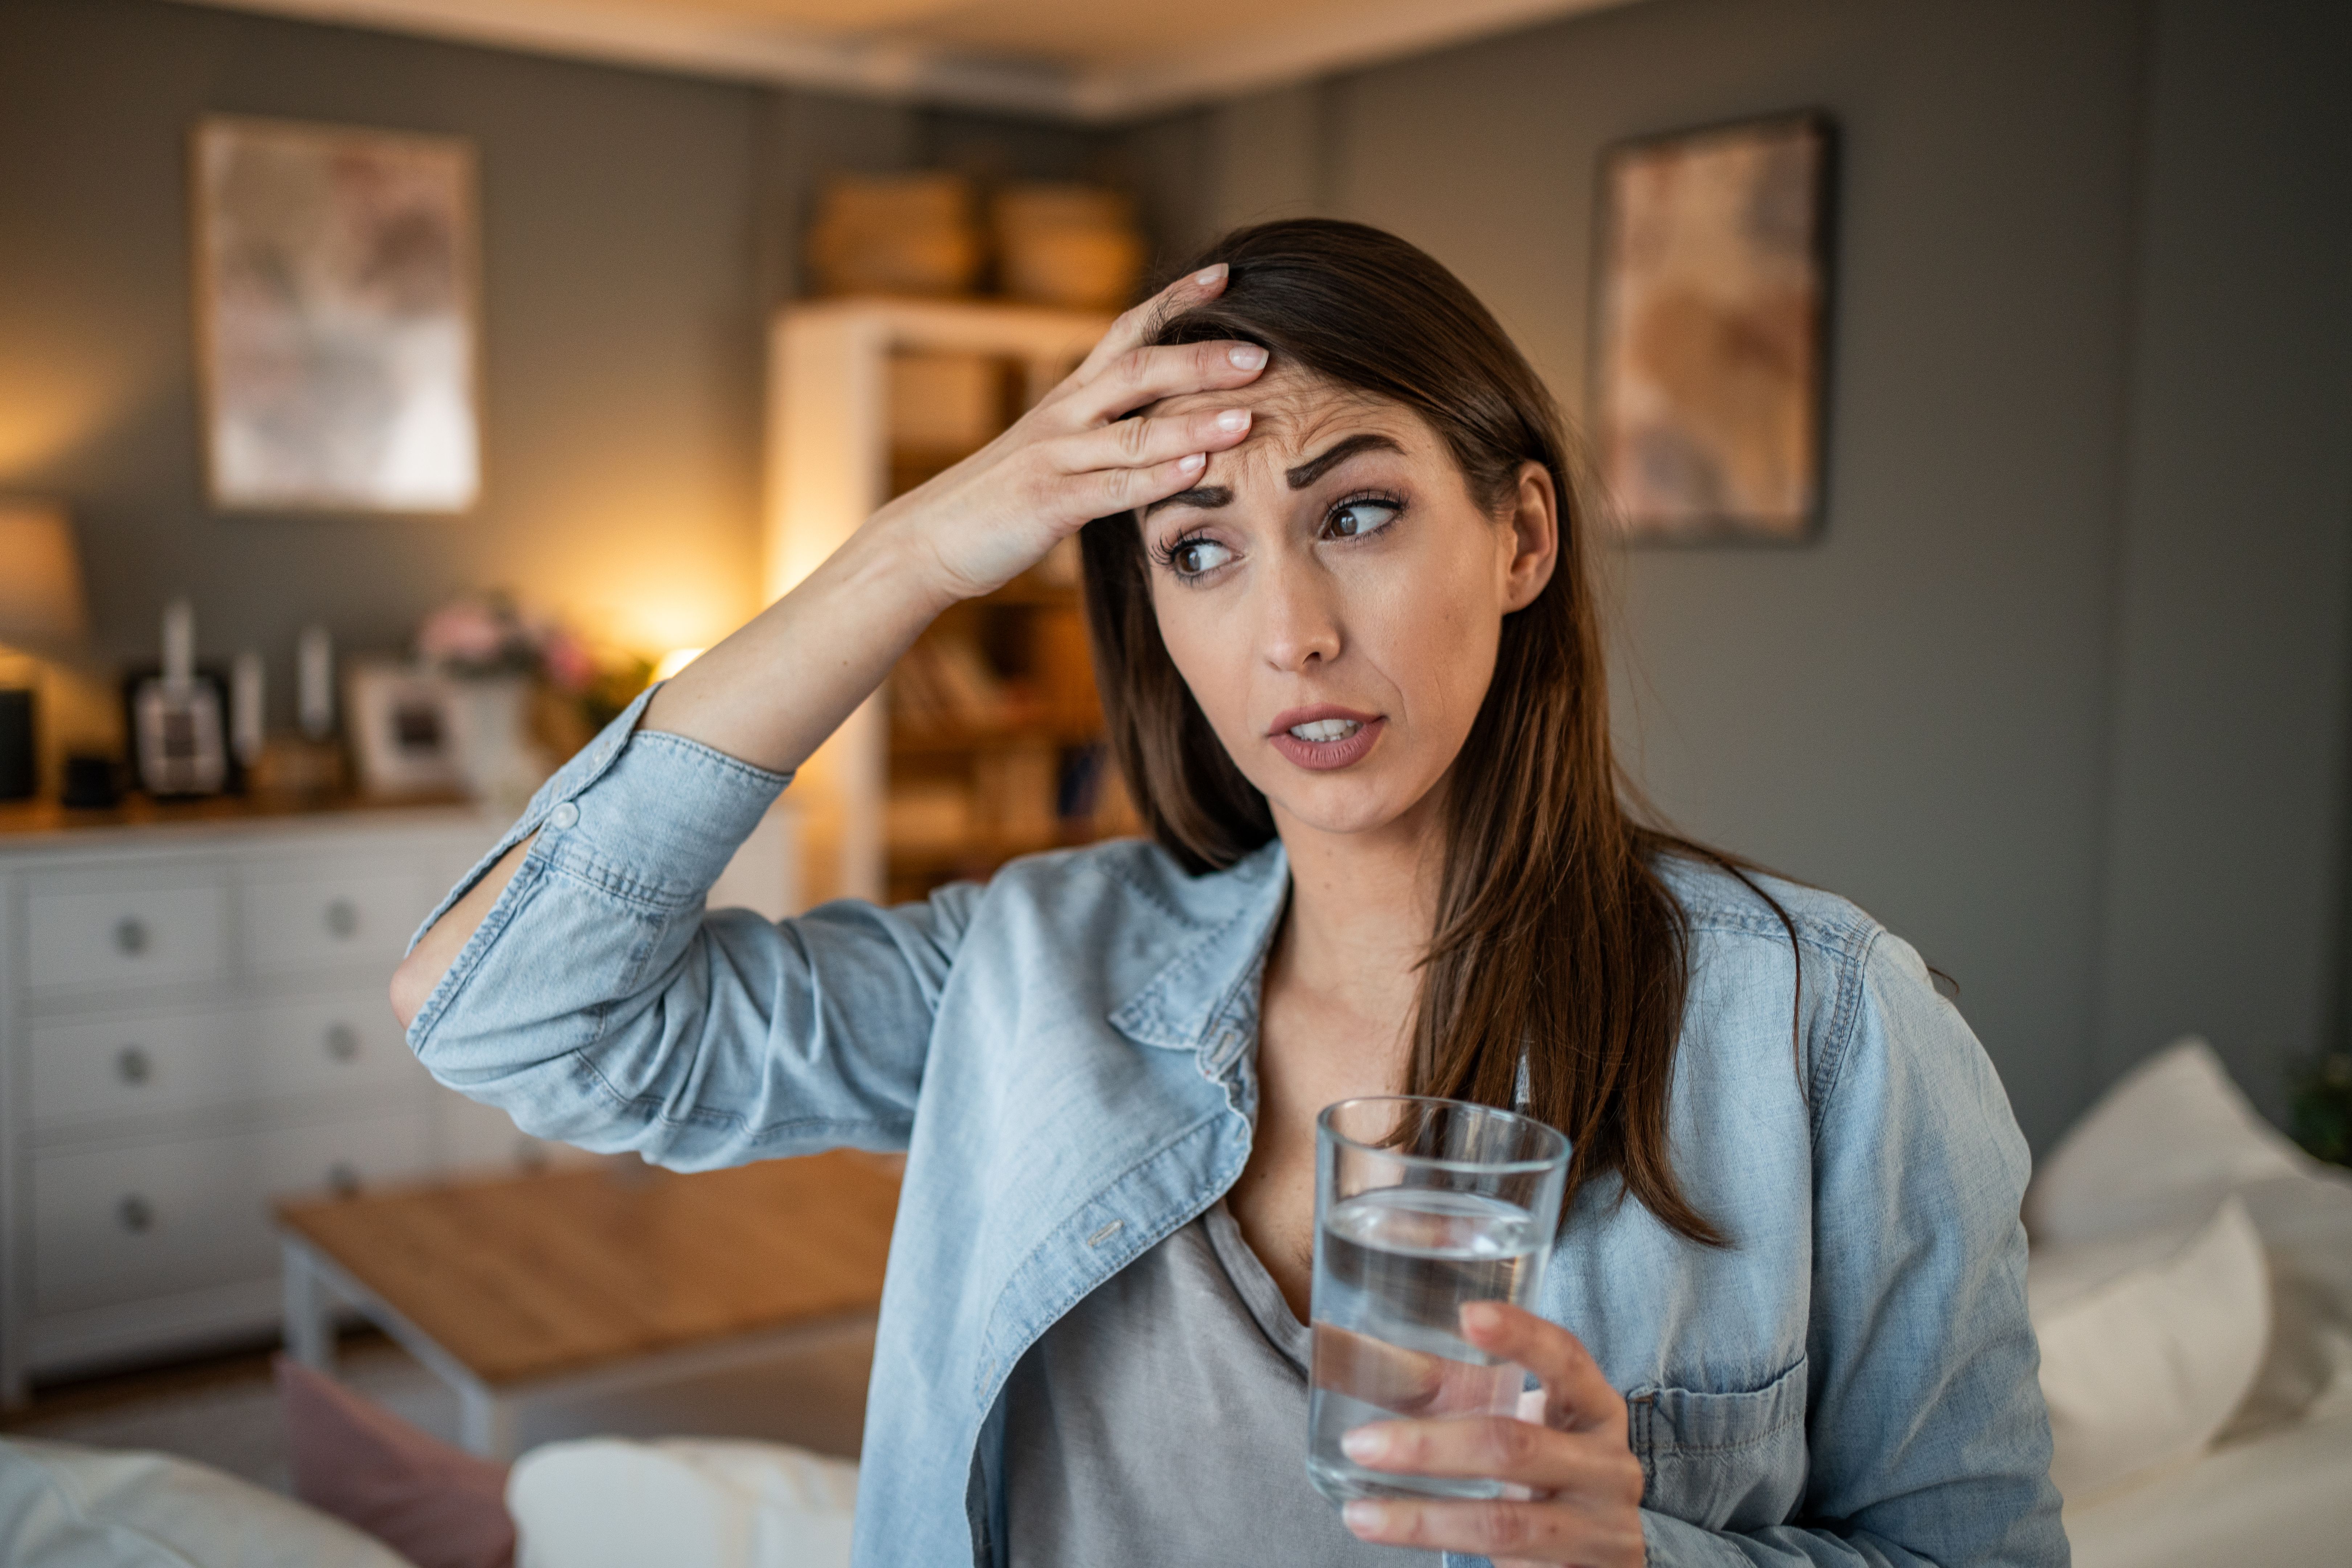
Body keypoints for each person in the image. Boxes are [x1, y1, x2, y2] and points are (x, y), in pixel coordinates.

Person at [391, 220, 2064, 1568]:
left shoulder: (1821, 1032)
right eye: (1199, 547)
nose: (1293, 634)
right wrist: (912, 550)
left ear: (1523, 537)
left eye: (1359, 513)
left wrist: (1640, 1558)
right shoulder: (1032, 969)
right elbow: (506, 1012)